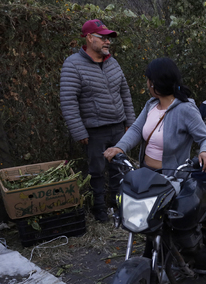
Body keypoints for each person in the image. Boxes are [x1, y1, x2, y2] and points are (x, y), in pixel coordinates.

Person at [60, 19, 136, 222]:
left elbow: (125, 93)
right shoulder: (73, 64)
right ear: (89, 38)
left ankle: (119, 204)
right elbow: (68, 101)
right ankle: (100, 208)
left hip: (118, 127)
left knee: (118, 167)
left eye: (109, 38)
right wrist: (79, 131)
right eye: (103, 37)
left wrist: (131, 121)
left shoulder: (112, 62)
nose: (108, 42)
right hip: (94, 130)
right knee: (96, 171)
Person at [103, 57, 206, 176]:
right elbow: (136, 129)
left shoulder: (186, 109)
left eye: (148, 80)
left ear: (154, 83)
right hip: (146, 173)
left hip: (172, 179)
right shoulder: (151, 104)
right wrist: (120, 148)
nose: (147, 84)